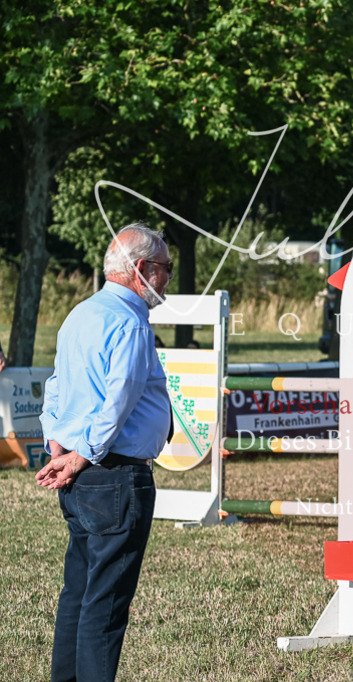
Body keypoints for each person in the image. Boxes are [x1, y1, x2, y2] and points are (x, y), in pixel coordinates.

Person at [36, 223, 173, 682]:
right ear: (142, 270)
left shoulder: (79, 315)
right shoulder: (130, 322)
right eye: (165, 269)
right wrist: (78, 455)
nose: (168, 280)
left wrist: (57, 444)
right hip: (113, 474)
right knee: (106, 605)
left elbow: (55, 387)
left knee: (78, 593)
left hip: (80, 474)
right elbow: (119, 400)